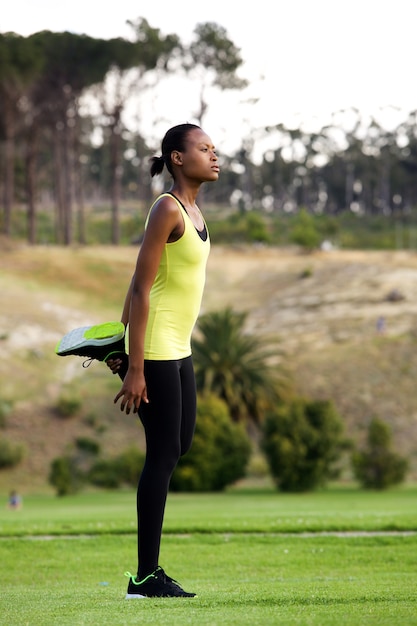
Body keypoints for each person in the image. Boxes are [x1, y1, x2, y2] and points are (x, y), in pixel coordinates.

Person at [108, 123, 219, 598]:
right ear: (177, 158)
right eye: (203, 149)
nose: (214, 156)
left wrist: (117, 344)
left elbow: (144, 288)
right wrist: (131, 363)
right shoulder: (167, 209)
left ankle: (147, 575)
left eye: (214, 149)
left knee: (179, 445)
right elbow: (139, 283)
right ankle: (145, 576)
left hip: (180, 349)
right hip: (153, 349)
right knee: (162, 454)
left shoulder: (194, 211)